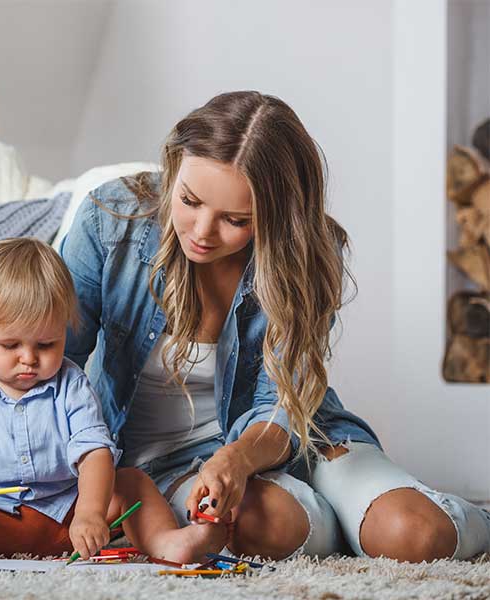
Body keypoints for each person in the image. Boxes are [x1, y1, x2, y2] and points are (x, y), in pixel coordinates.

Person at [60, 91, 490, 562]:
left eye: (235, 220)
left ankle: (399, 519)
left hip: (299, 434)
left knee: (414, 536)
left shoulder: (305, 249)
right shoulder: (110, 219)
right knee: (261, 526)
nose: (202, 231)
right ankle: (348, 527)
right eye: (189, 200)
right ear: (174, 165)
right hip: (167, 459)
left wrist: (238, 459)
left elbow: (280, 402)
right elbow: (58, 366)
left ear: (275, 215)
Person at [0, 238, 229, 568]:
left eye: (46, 343)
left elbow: (95, 453)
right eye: (10, 344)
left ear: (65, 330)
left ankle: (166, 542)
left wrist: (90, 512)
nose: (28, 358)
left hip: (68, 519)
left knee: (133, 482)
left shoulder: (71, 384)